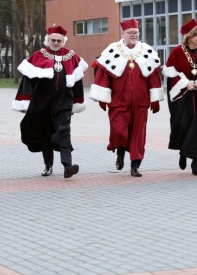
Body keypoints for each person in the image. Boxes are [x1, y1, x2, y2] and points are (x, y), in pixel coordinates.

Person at [89, 18, 164, 177]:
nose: (134, 35)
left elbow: (154, 77)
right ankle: (121, 151)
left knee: (138, 134)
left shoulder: (146, 51)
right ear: (123, 33)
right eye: (130, 33)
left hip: (141, 102)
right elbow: (103, 75)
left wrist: (155, 99)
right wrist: (102, 98)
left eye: (136, 33)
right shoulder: (112, 50)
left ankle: (135, 165)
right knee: (119, 130)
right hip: (119, 101)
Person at [12, 25, 88, 178]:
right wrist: (25, 103)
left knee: (64, 130)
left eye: (58, 41)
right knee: (46, 134)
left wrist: (77, 103)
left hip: (64, 100)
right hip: (42, 102)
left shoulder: (71, 56)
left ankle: (68, 165)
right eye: (52, 40)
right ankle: (48, 165)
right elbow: (27, 81)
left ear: (63, 41)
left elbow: (78, 82)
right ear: (47, 40)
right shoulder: (38, 56)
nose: (55, 43)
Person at [162, 19, 197, 176]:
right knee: (183, 125)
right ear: (188, 37)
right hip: (183, 96)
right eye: (196, 35)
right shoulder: (177, 52)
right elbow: (170, 73)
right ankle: (182, 153)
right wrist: (185, 84)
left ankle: (195, 161)